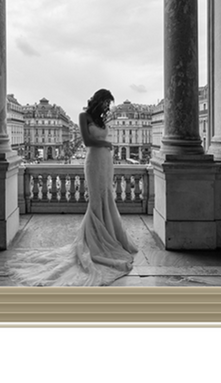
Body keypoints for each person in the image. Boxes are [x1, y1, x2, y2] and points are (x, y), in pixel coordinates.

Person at [8, 89, 139, 286]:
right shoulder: (83, 116)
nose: (107, 107)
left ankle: (110, 237)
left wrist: (107, 146)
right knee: (96, 200)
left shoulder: (102, 119)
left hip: (106, 161)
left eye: (108, 105)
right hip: (94, 160)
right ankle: (93, 241)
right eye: (105, 103)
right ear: (98, 100)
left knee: (107, 197)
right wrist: (106, 143)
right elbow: (87, 141)